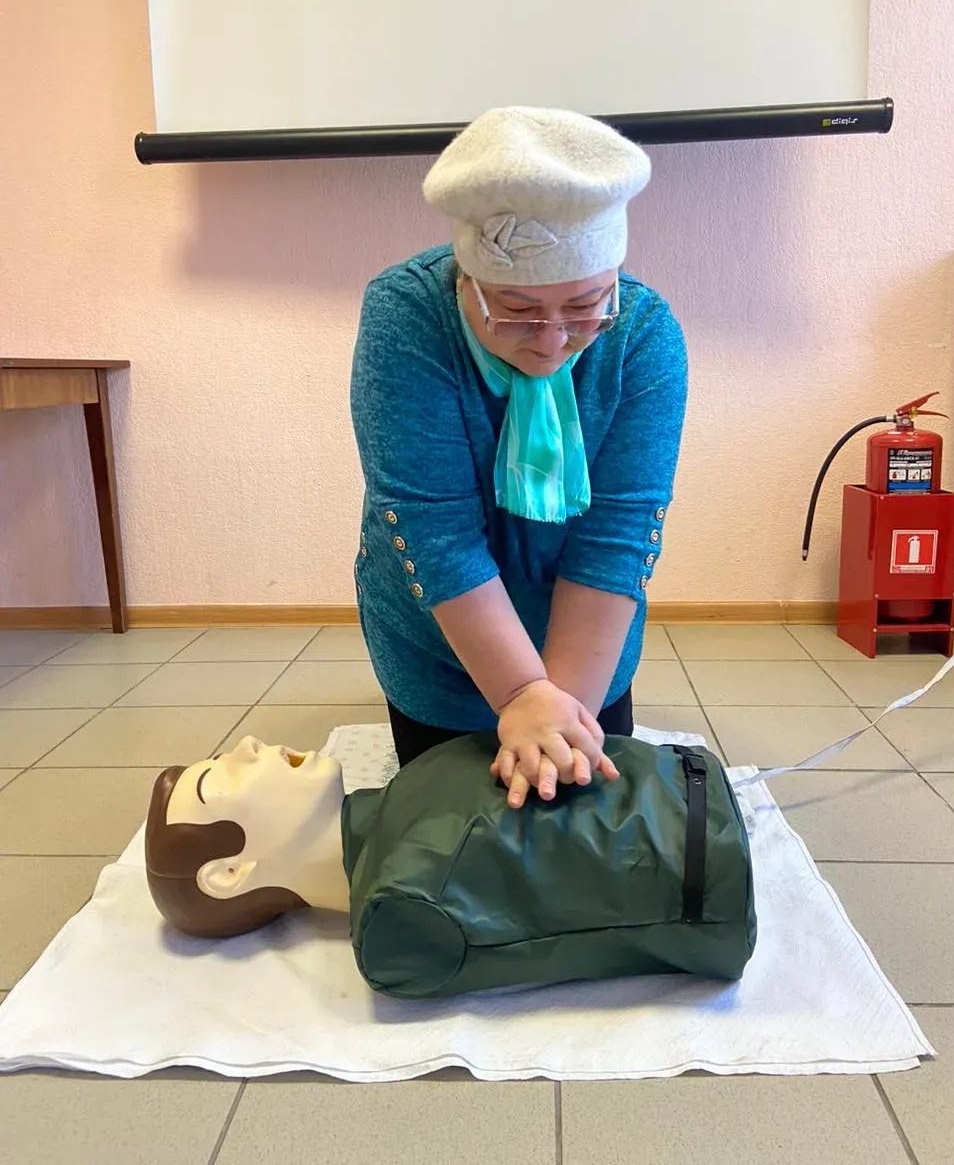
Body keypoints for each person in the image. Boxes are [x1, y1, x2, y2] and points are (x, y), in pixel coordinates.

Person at [350, 106, 688, 808]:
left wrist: (557, 714)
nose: (552, 340)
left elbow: (617, 536)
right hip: (442, 638)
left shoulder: (642, 333)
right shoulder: (407, 317)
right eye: (517, 310)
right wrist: (518, 692)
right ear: (465, 281)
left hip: (588, 648)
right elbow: (434, 530)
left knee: (577, 820)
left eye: (585, 306)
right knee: (446, 831)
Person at [144, 732, 755, 999]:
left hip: (692, 804)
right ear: (229, 873)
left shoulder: (401, 796)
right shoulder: (396, 922)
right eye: (218, 782)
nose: (247, 746)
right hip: (708, 869)